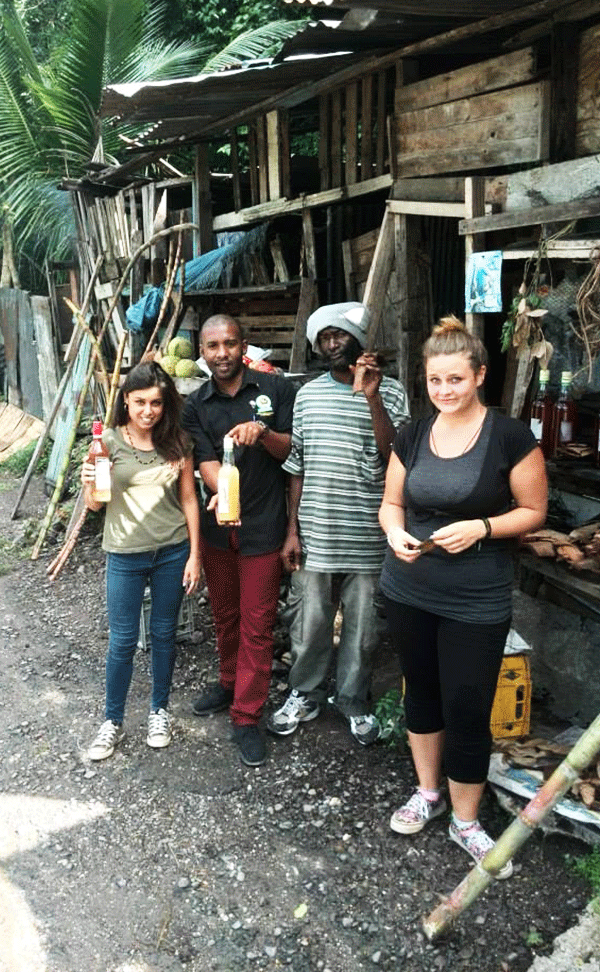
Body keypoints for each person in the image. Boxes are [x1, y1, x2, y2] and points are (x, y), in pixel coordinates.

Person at [379, 315, 547, 878]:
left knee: (469, 704)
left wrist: (481, 527)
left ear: (478, 375)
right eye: (435, 381)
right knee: (421, 691)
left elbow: (533, 511)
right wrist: (394, 533)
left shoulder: (510, 436)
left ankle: (467, 820)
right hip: (408, 585)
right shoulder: (412, 432)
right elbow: (392, 503)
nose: (444, 390)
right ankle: (428, 793)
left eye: (455, 379)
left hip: (477, 595)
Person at [267, 302, 409, 745]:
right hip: (316, 531)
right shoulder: (308, 395)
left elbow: (395, 458)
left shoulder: (392, 393)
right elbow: (297, 467)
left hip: (369, 533)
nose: (331, 343)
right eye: (324, 338)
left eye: (339, 335)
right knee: (308, 623)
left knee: (364, 628)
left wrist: (372, 398)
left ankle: (352, 700)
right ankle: (303, 693)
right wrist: (292, 530)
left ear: (360, 341)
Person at [182, 314, 296, 767]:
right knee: (225, 616)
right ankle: (229, 681)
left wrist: (262, 433)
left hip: (265, 528)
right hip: (217, 528)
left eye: (230, 343)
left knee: (257, 623)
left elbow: (290, 452)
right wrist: (221, 492)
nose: (222, 353)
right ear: (203, 353)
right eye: (213, 346)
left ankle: (246, 715)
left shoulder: (275, 391)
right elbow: (206, 462)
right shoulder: (196, 405)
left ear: (243, 346)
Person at [81, 361, 201, 761]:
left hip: (172, 551)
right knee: (122, 641)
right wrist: (90, 484)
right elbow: (95, 504)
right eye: (140, 402)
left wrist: (195, 556)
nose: (148, 411)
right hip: (125, 553)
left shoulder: (178, 443)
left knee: (165, 635)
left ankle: (159, 711)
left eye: (156, 403)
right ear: (126, 402)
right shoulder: (107, 443)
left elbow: (188, 500)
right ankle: (111, 721)